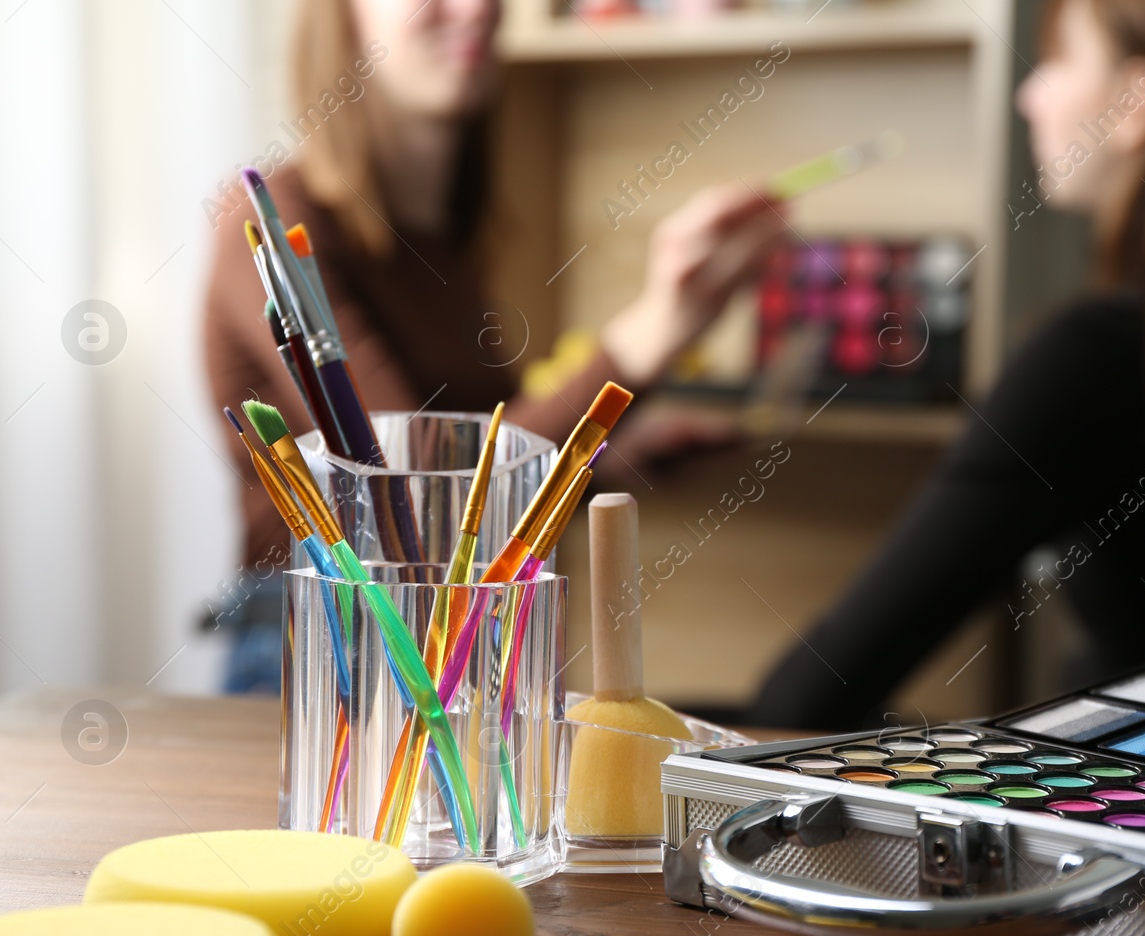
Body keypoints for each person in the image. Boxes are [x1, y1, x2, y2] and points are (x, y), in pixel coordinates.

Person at [204, 0, 786, 692]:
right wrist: (651, 333)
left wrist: (601, 462)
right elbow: (415, 497)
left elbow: (474, 465)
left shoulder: (449, 229)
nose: (478, 7)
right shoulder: (275, 226)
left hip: (458, 645)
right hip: (324, 657)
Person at [752, 0, 1145, 730]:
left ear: (1137, 102)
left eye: (1058, 59)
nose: (1028, 94)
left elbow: (809, 695)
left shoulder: (1097, 352)